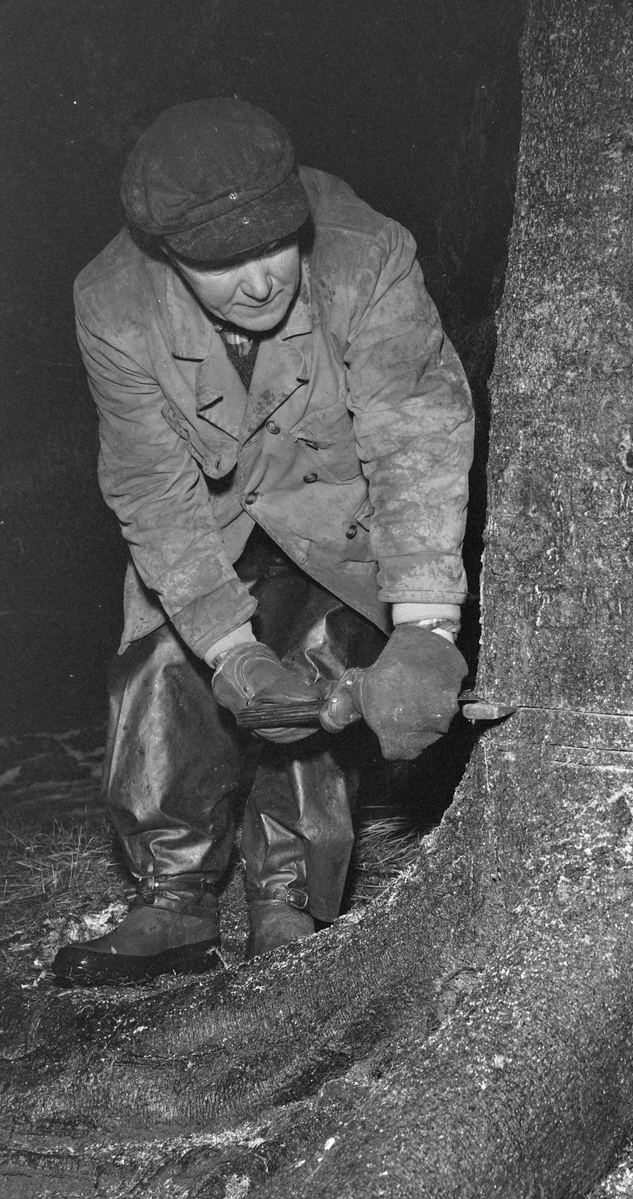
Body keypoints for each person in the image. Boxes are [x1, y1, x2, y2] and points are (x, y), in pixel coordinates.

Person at [51, 98, 473, 986]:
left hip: (337, 514)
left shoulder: (367, 254)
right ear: (167, 253)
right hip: (209, 516)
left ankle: (288, 897)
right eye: (222, 261)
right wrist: (232, 652)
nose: (257, 281)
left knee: (323, 660)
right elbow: (150, 487)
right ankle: (174, 900)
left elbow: (416, 429)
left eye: (272, 244)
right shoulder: (112, 302)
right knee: (165, 667)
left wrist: (426, 628)